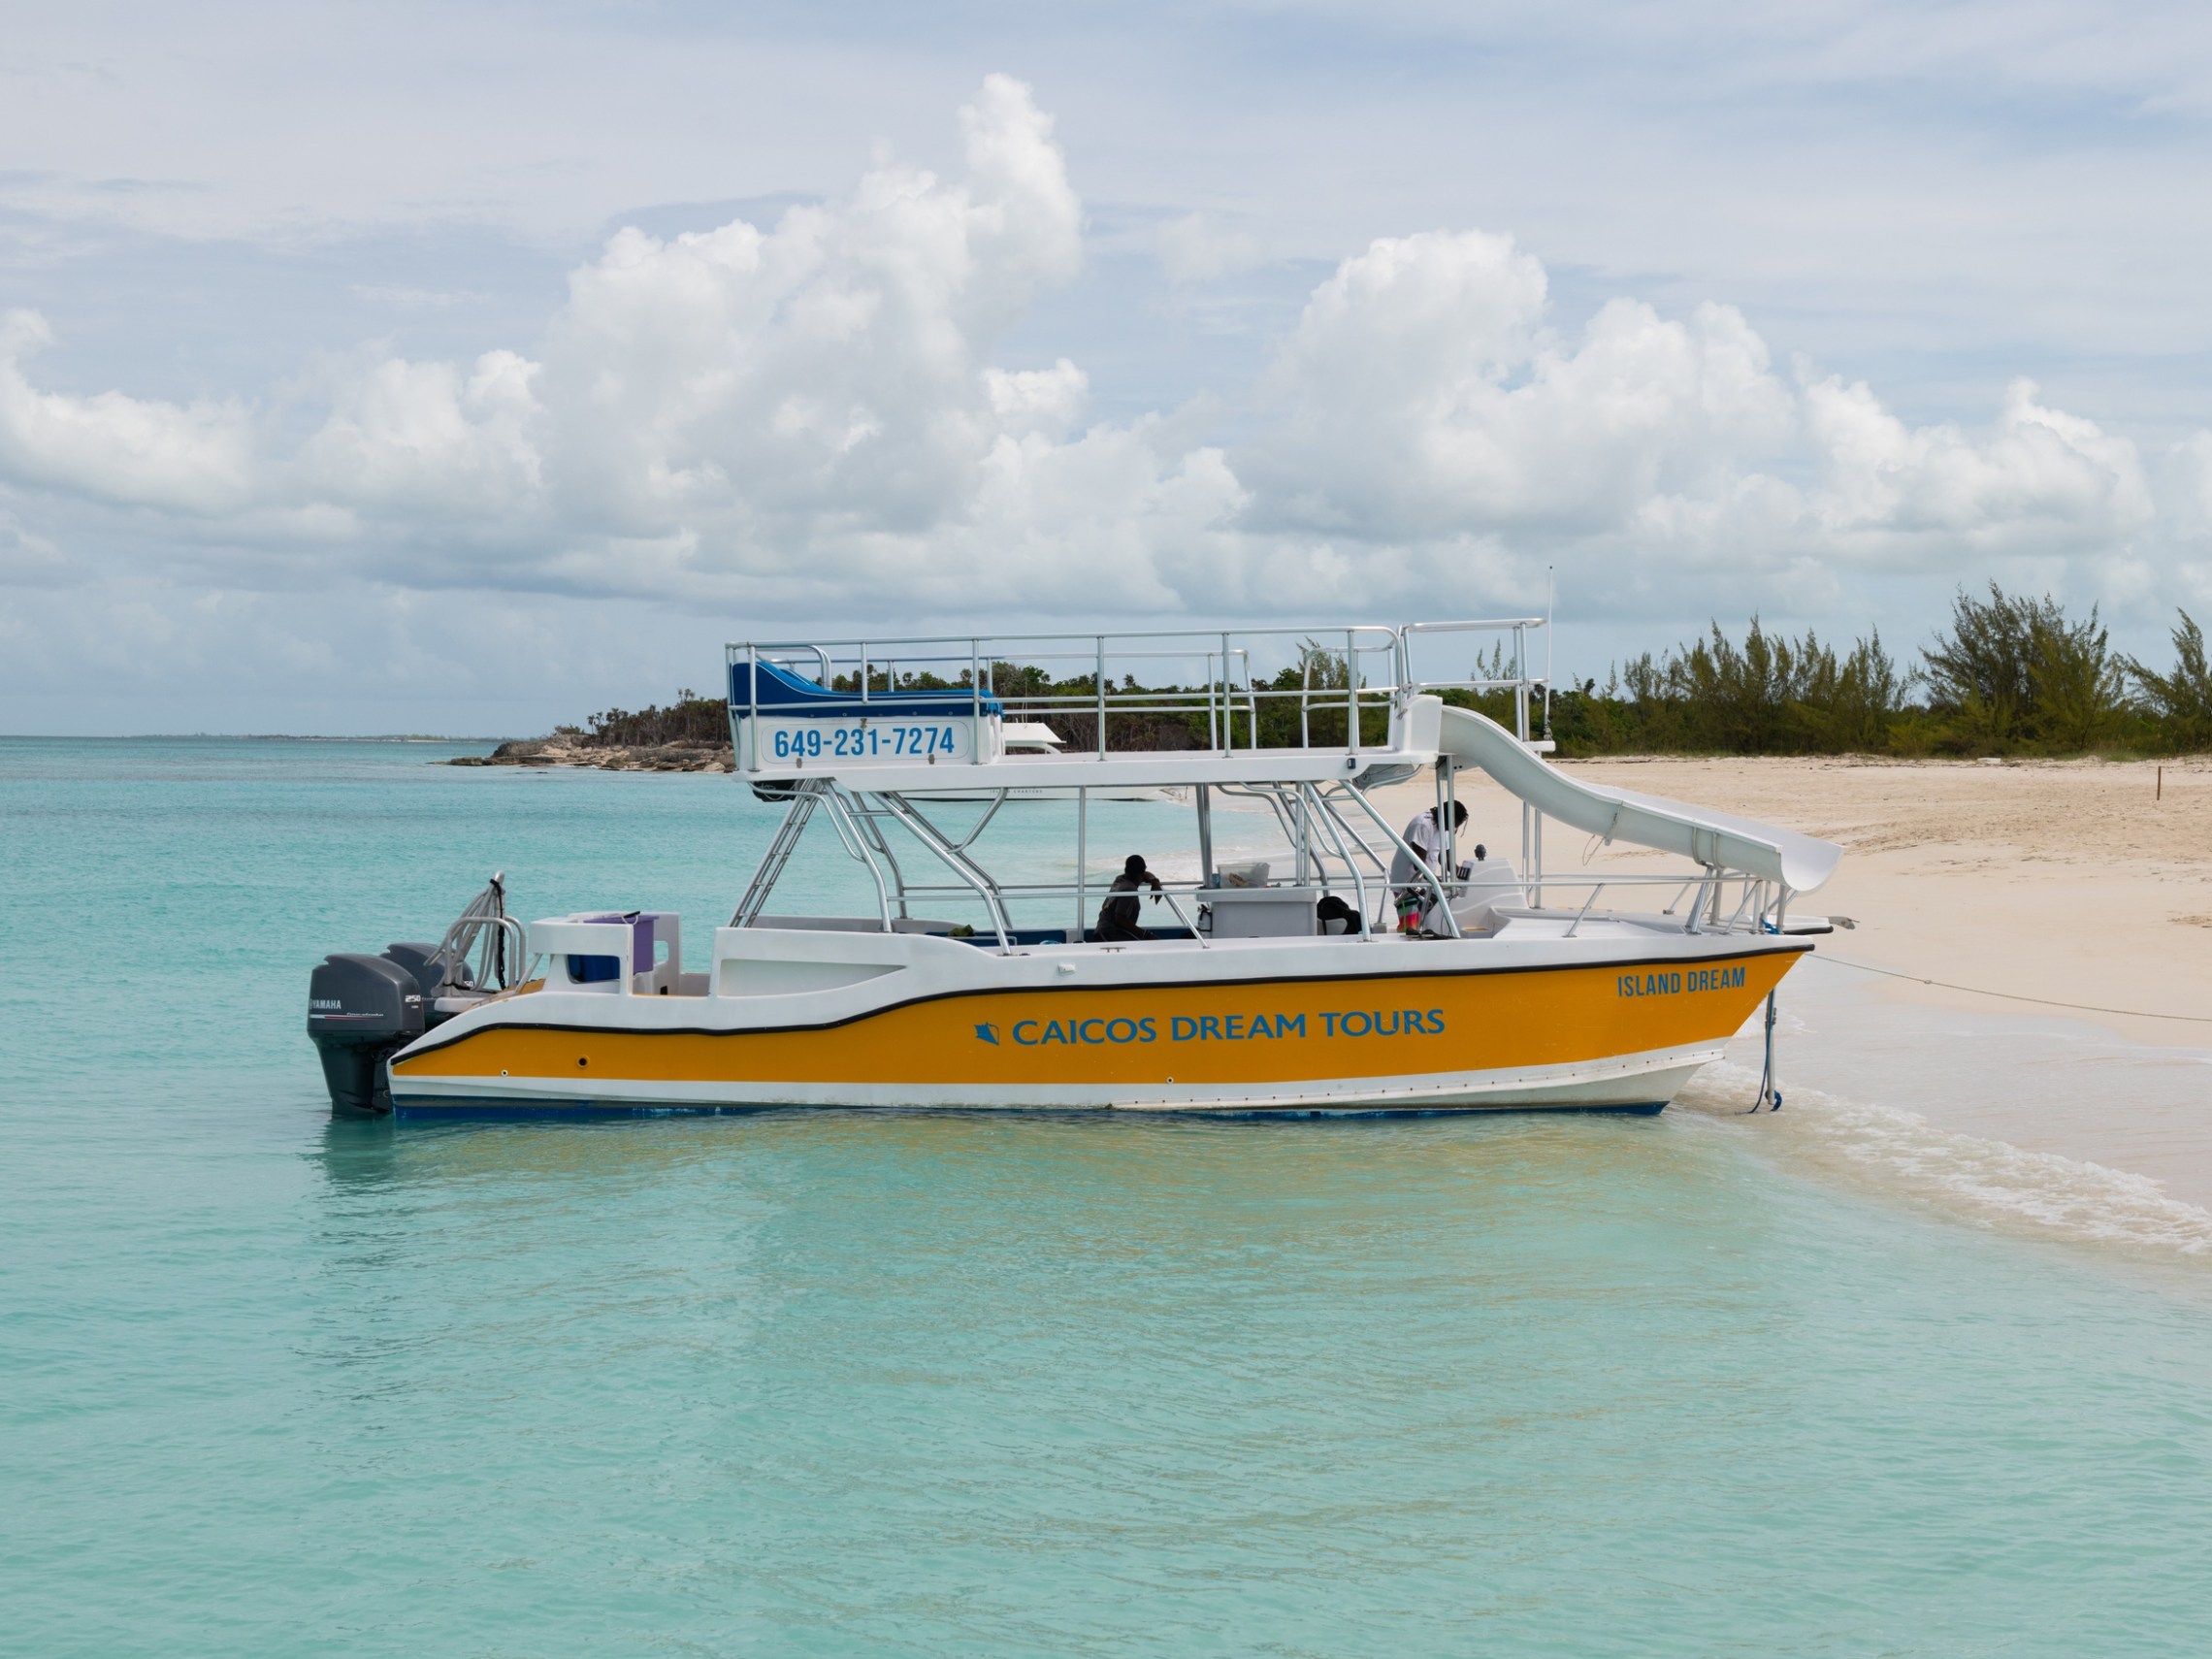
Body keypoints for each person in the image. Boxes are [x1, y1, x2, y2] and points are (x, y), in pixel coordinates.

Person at [1389, 801, 1470, 933]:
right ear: (1445, 817)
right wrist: (1434, 880)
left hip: (1425, 880)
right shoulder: (1422, 824)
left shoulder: (1446, 827)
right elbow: (1418, 864)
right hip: (1407, 881)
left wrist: (1464, 876)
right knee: (1410, 926)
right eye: (1453, 825)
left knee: (1431, 916)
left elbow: (1446, 860)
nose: (1453, 829)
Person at [1095, 854, 1164, 941]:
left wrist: (1154, 881)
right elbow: (1120, 919)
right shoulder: (1129, 889)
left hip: (1102, 930)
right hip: (1110, 933)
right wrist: (1147, 934)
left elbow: (1147, 874)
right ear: (1141, 873)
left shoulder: (1120, 879)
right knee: (1154, 943)